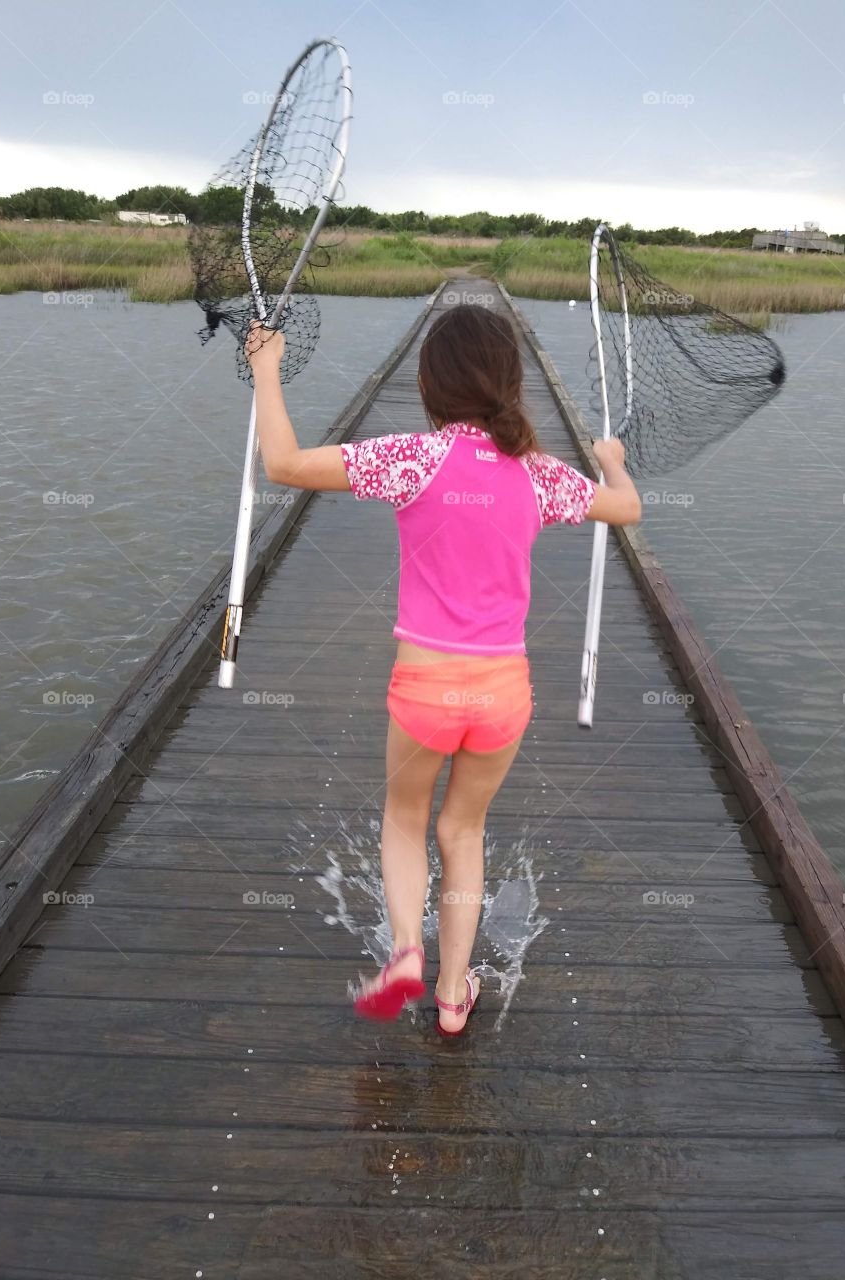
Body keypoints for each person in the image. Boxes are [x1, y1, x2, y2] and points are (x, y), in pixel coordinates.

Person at [245, 304, 641, 1036]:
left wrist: (267, 371)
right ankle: (455, 997)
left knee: (404, 819)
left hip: (425, 690)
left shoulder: (413, 459)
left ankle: (404, 955)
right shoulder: (538, 473)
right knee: (463, 832)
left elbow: (285, 465)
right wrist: (611, 460)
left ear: (432, 386)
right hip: (502, 695)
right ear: (508, 385)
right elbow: (626, 510)